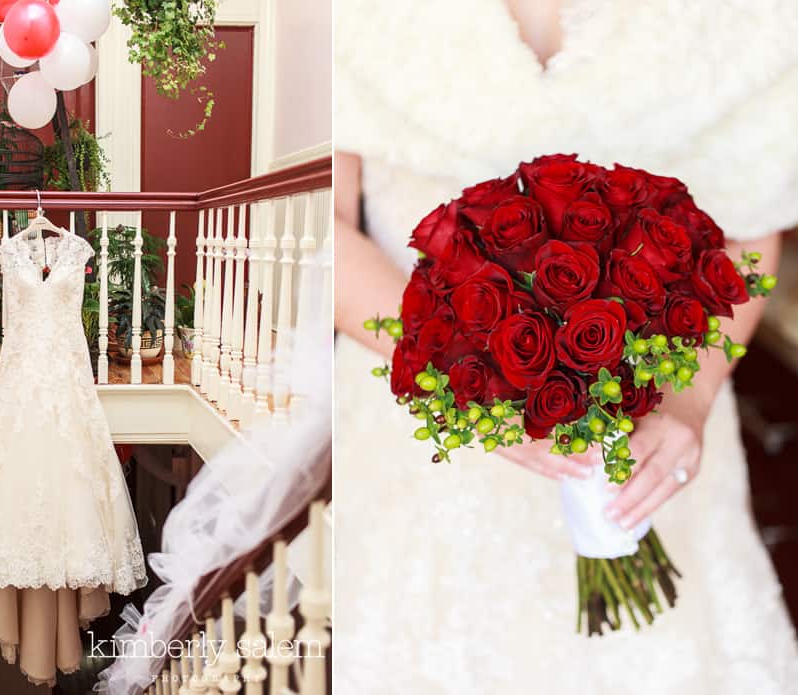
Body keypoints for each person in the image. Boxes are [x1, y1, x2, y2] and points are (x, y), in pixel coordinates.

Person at [334, 1, 798, 692]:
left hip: (659, 423)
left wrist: (692, 395)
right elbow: (323, 226)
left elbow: (751, 231)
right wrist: (456, 370)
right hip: (421, 434)